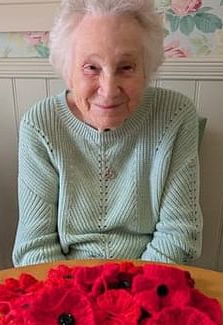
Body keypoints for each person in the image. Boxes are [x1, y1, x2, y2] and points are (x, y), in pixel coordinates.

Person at [12, 0, 202, 267]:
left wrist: (130, 298)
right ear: (68, 72)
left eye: (126, 67)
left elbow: (178, 235)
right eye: (91, 68)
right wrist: (77, 301)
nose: (109, 89)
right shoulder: (40, 124)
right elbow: (36, 247)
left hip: (151, 283)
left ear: (147, 70)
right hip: (65, 289)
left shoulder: (175, 115)